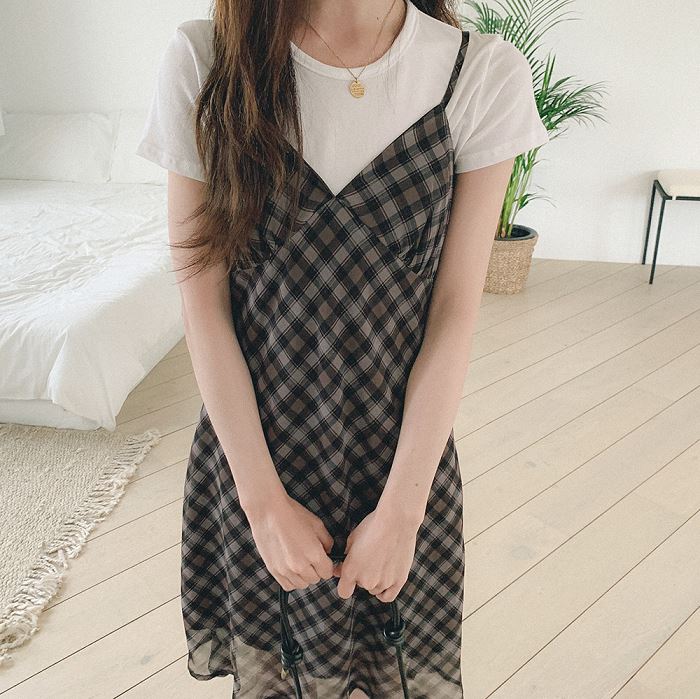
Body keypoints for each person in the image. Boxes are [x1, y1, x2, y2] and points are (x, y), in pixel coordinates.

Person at [136, 1, 549, 697]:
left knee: (394, 672)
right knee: (273, 677)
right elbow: (202, 306)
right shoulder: (208, 59)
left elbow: (453, 315)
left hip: (400, 466)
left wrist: (403, 513)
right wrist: (263, 504)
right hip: (255, 456)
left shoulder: (481, 73)